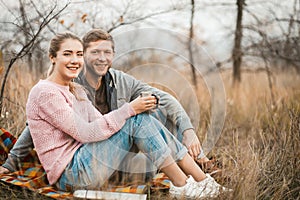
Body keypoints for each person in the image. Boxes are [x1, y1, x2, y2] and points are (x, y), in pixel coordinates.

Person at [24, 32, 228, 198]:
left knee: (141, 118)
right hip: (70, 173)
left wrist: (134, 112)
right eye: (67, 54)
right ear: (52, 57)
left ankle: (203, 182)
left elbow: (98, 122)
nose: (75, 60)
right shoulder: (45, 93)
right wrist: (130, 110)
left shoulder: (74, 90)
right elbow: (85, 133)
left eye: (78, 54)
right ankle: (182, 185)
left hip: (86, 160)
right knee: (136, 119)